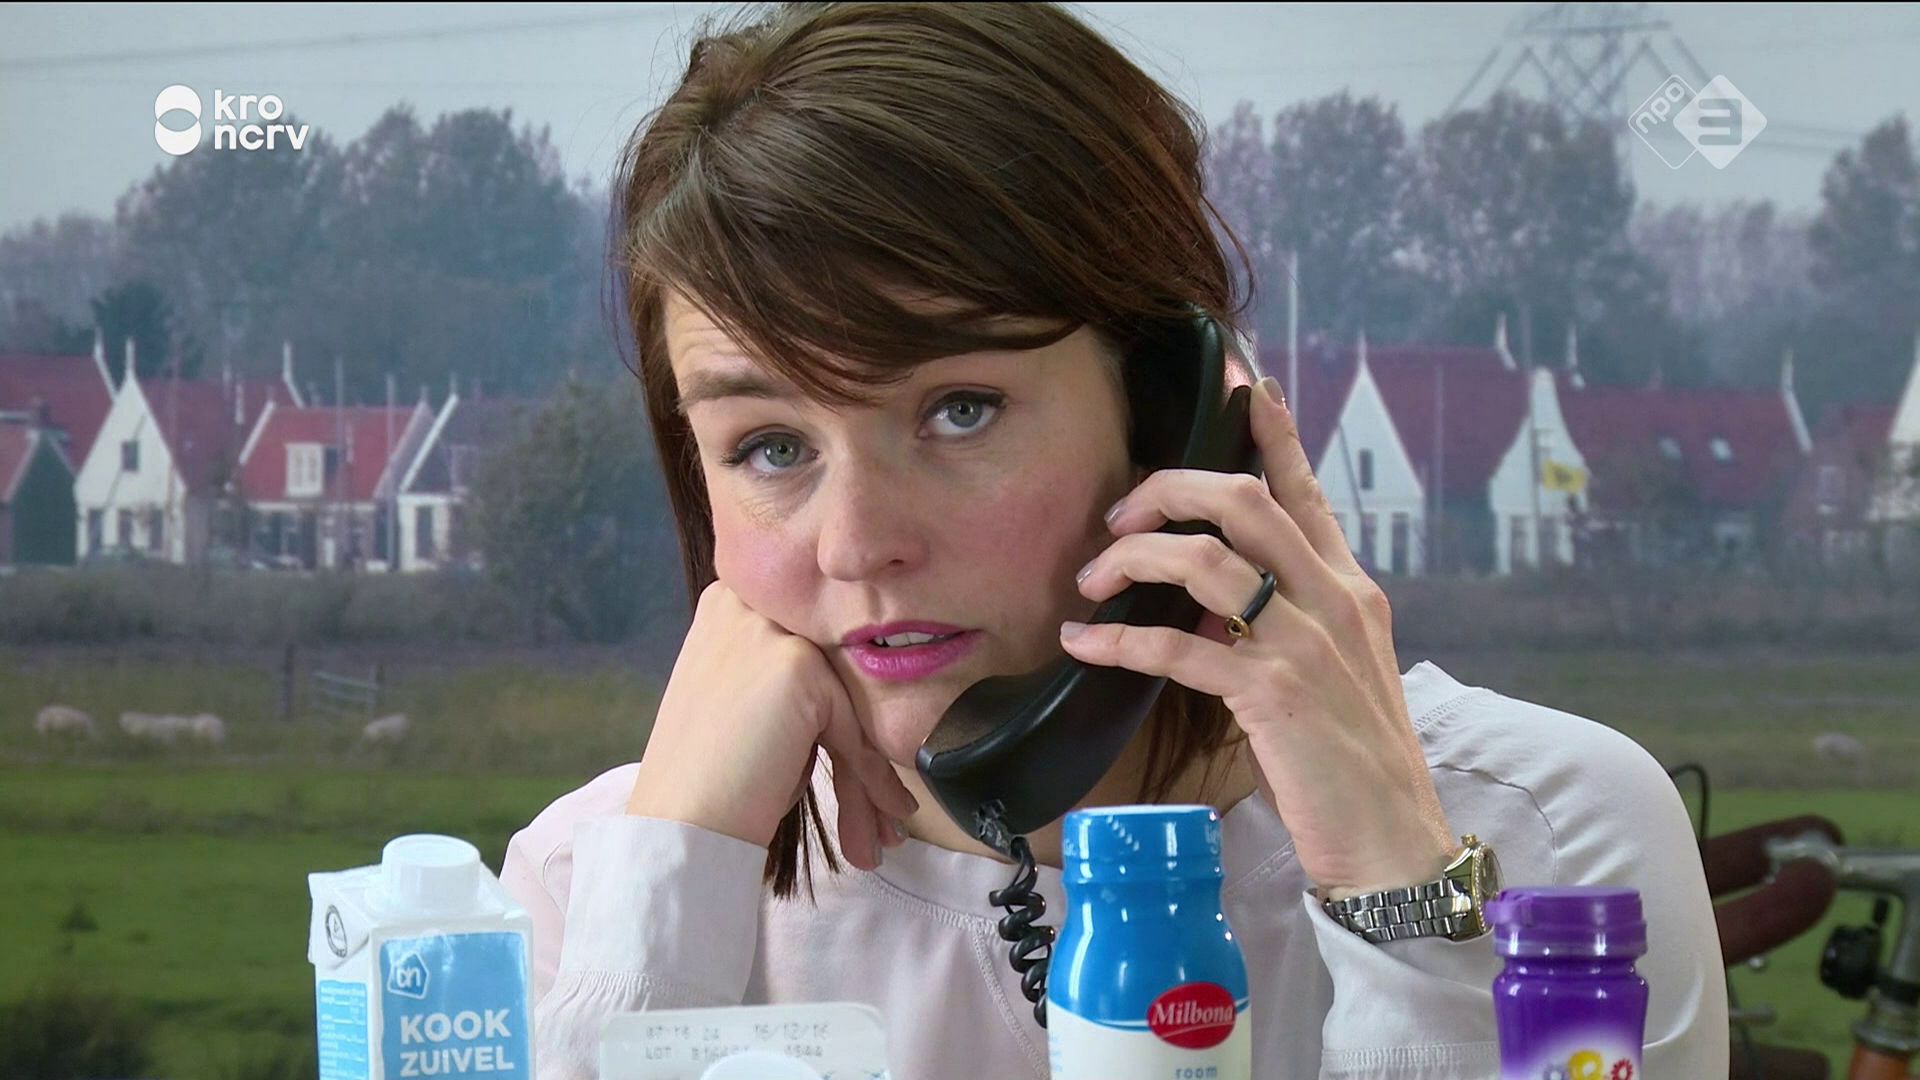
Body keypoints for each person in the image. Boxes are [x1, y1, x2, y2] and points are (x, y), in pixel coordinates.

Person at [501, 4, 1730, 1078]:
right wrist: (667, 901)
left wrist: (1403, 905)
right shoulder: (588, 888)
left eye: (960, 410)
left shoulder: (1551, 835)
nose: (857, 546)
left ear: (1170, 418)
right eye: (771, 447)